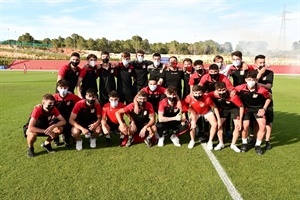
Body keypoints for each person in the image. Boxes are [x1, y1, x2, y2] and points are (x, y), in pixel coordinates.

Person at [235, 71, 272, 155]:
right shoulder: (240, 88)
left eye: (253, 79)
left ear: (256, 80)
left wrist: (264, 108)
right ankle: (244, 143)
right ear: (245, 80)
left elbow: (269, 97)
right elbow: (232, 91)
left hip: (258, 109)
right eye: (249, 79)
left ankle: (257, 145)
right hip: (246, 109)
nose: (251, 81)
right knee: (245, 126)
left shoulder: (261, 90)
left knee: (262, 126)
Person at [206, 82, 244, 152]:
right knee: (218, 125)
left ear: (226, 89)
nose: (222, 92)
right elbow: (204, 97)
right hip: (224, 109)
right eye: (219, 90)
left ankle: (233, 144)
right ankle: (221, 143)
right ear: (216, 90)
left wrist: (241, 120)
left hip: (235, 109)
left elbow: (241, 107)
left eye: (223, 90)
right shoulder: (213, 94)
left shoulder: (233, 96)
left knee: (238, 126)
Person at [182, 85, 221, 149]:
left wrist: (218, 119)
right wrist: (186, 114)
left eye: (199, 93)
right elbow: (183, 106)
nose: (198, 95)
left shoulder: (207, 98)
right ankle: (192, 140)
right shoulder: (189, 98)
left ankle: (210, 141)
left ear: (202, 93)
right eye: (196, 93)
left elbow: (215, 107)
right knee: (192, 125)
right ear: (192, 93)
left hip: (207, 112)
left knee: (215, 124)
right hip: (195, 112)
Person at [53, 79, 81, 147]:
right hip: (57, 119)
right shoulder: (54, 97)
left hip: (69, 118)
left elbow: (82, 102)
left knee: (69, 128)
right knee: (57, 128)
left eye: (65, 88)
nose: (63, 89)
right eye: (61, 88)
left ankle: (67, 138)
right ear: (57, 88)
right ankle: (55, 138)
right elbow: (45, 105)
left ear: (68, 88)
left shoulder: (72, 97)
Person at [255, 54, 274, 150]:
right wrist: (258, 75)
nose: (262, 64)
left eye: (263, 62)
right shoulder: (252, 72)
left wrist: (257, 83)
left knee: (268, 122)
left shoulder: (270, 72)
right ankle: (256, 139)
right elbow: (250, 84)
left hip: (268, 99)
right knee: (255, 121)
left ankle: (267, 141)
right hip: (256, 100)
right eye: (260, 62)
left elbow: (269, 86)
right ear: (255, 63)